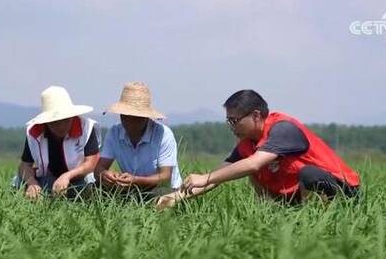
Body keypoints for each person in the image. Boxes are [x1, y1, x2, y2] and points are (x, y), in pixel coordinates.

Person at [157, 89, 360, 208]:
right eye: (228, 121)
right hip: (298, 196)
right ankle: (277, 213)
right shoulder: (248, 144)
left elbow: (254, 164)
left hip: (342, 191)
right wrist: (175, 197)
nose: (231, 127)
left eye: (235, 120)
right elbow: (218, 175)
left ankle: (321, 220)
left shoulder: (283, 129)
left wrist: (206, 177)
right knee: (247, 170)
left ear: (255, 115)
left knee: (309, 174)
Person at [94, 81, 182, 201]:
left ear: (145, 117)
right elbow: (99, 168)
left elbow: (165, 177)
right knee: (95, 190)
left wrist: (136, 180)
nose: (129, 122)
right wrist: (105, 175)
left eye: (135, 117)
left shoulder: (163, 134)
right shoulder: (114, 133)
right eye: (125, 116)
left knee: (160, 197)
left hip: (161, 189)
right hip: (130, 189)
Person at [14, 86, 101, 199]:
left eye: (65, 120)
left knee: (90, 179)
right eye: (55, 122)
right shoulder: (35, 133)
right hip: (49, 179)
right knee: (17, 181)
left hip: (78, 179)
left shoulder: (86, 128)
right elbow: (25, 165)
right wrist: (32, 183)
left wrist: (67, 176)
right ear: (46, 122)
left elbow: (91, 163)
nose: (61, 126)